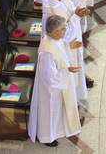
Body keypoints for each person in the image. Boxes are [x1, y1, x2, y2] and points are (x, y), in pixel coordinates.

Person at [28, 13, 82, 147]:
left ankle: (57, 130)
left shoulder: (53, 39)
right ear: (55, 31)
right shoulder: (47, 52)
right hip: (50, 91)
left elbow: (61, 48)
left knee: (57, 111)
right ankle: (46, 137)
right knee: (50, 112)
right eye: (63, 29)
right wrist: (67, 71)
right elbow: (49, 77)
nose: (65, 30)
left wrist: (70, 46)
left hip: (58, 86)